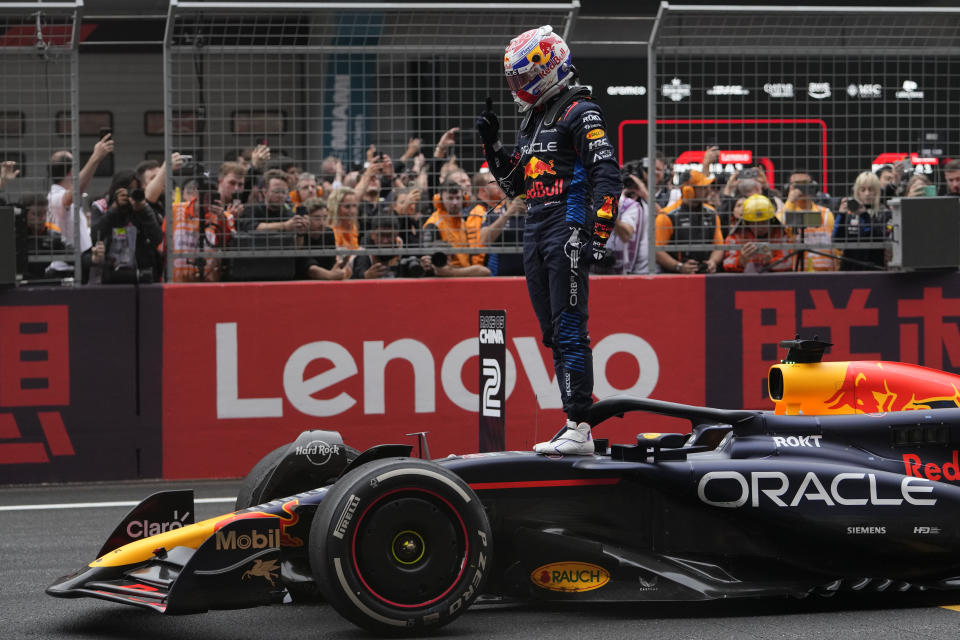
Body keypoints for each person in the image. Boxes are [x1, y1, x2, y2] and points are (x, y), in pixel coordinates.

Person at [477, 24, 620, 455]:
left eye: (524, 77)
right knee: (553, 333)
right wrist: (491, 143)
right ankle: (573, 421)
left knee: (571, 329)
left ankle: (580, 423)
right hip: (536, 229)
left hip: (567, 226)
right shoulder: (534, 119)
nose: (519, 87)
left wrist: (598, 234)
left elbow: (607, 175)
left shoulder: (581, 111)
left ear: (548, 65)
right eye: (514, 80)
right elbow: (513, 185)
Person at [167, 162, 243, 282]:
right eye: (204, 190)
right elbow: (163, 245)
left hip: (208, 283)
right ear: (196, 191)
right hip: (176, 281)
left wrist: (221, 218)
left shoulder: (225, 217)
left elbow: (226, 246)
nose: (207, 194)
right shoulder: (175, 210)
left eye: (212, 191)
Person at [47, 134, 114, 254]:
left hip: (79, 262)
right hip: (66, 268)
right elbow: (75, 192)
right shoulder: (54, 197)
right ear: (72, 171)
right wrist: (95, 158)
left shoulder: (59, 194)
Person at [90, 177, 164, 283]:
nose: (130, 195)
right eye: (127, 190)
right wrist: (114, 208)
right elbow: (95, 236)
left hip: (140, 271)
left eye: (134, 190)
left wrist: (143, 211)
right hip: (109, 272)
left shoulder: (142, 206)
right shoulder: (102, 206)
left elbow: (157, 239)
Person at [654, 170, 724, 273]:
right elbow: (657, 251)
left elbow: (719, 245)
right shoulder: (667, 215)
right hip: (675, 278)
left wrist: (713, 262)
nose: (708, 190)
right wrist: (679, 266)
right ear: (688, 190)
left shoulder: (712, 213)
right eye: (703, 188)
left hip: (706, 277)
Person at [422, 178, 489, 274]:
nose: (455, 203)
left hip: (464, 275)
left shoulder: (462, 222)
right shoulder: (433, 224)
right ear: (439, 200)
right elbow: (429, 262)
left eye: (458, 198)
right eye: (450, 198)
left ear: (464, 199)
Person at [593, 162, 650, 274]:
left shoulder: (642, 204)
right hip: (604, 264)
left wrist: (643, 192)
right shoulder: (602, 200)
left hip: (637, 267)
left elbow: (661, 214)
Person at [776, 172, 838, 272]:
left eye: (805, 184)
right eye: (797, 185)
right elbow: (778, 229)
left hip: (824, 274)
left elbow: (834, 247)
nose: (801, 189)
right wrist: (790, 201)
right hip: (795, 273)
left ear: (813, 187)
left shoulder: (825, 214)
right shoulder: (784, 213)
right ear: (789, 188)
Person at [832, 171, 889, 271]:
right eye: (863, 190)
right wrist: (841, 215)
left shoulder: (884, 213)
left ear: (877, 191)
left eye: (870, 189)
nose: (867, 193)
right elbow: (836, 242)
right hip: (849, 269)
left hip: (874, 269)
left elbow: (878, 239)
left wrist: (864, 216)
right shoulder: (849, 213)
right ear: (857, 191)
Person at [722, 194, 794, 273]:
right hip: (744, 282)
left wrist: (771, 261)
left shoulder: (780, 234)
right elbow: (726, 264)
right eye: (755, 223)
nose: (760, 227)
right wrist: (741, 261)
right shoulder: (736, 236)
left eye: (764, 222)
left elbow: (790, 263)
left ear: (771, 220)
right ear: (747, 223)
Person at [237, 169, 306, 233]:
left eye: (284, 192)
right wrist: (284, 226)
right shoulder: (252, 210)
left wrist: (300, 231)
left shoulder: (289, 212)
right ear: (265, 192)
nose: (280, 195)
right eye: (276, 191)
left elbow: (297, 245)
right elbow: (252, 227)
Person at [296, 197, 348, 281]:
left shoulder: (328, 233)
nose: (322, 223)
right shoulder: (300, 235)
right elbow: (309, 268)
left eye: (324, 218)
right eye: (316, 218)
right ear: (306, 219)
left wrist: (336, 269)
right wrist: (331, 276)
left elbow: (331, 263)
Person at [480, 196, 526, 276]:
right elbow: (484, 240)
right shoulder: (493, 213)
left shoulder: (533, 212)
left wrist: (529, 214)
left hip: (530, 275)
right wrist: (508, 213)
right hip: (500, 275)